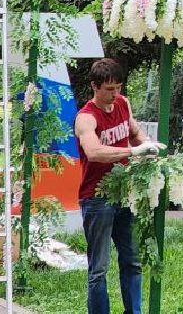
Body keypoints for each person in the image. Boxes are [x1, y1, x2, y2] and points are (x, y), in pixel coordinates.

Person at [75, 57, 161, 314]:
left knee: (132, 260)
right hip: (97, 198)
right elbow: (93, 151)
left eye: (118, 88)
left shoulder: (123, 104)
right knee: (99, 269)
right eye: (109, 89)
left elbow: (134, 131)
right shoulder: (86, 118)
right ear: (94, 86)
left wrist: (149, 146)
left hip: (125, 193)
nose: (115, 94)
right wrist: (133, 152)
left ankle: (133, 312)